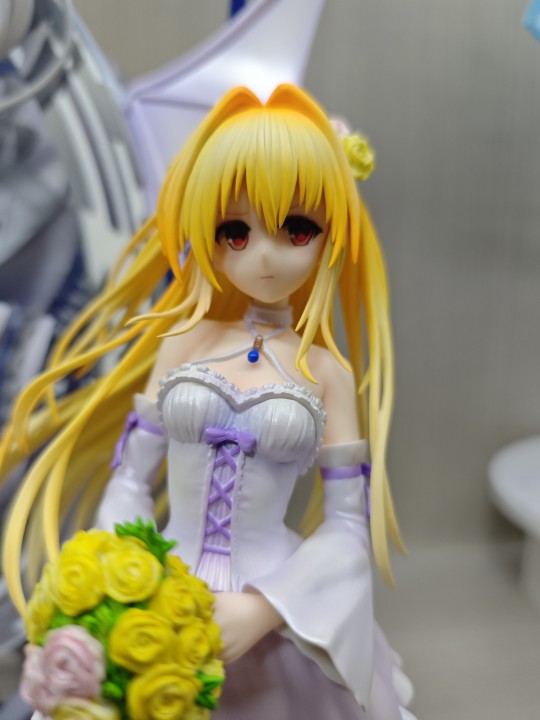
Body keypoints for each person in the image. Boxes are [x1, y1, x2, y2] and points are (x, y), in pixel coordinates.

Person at [1, 84, 415, 719]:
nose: (266, 254)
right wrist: (125, 577)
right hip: (161, 602)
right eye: (235, 231)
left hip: (270, 615)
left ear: (331, 231)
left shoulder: (327, 373)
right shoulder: (183, 342)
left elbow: (347, 528)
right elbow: (129, 481)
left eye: (297, 228)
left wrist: (264, 608)